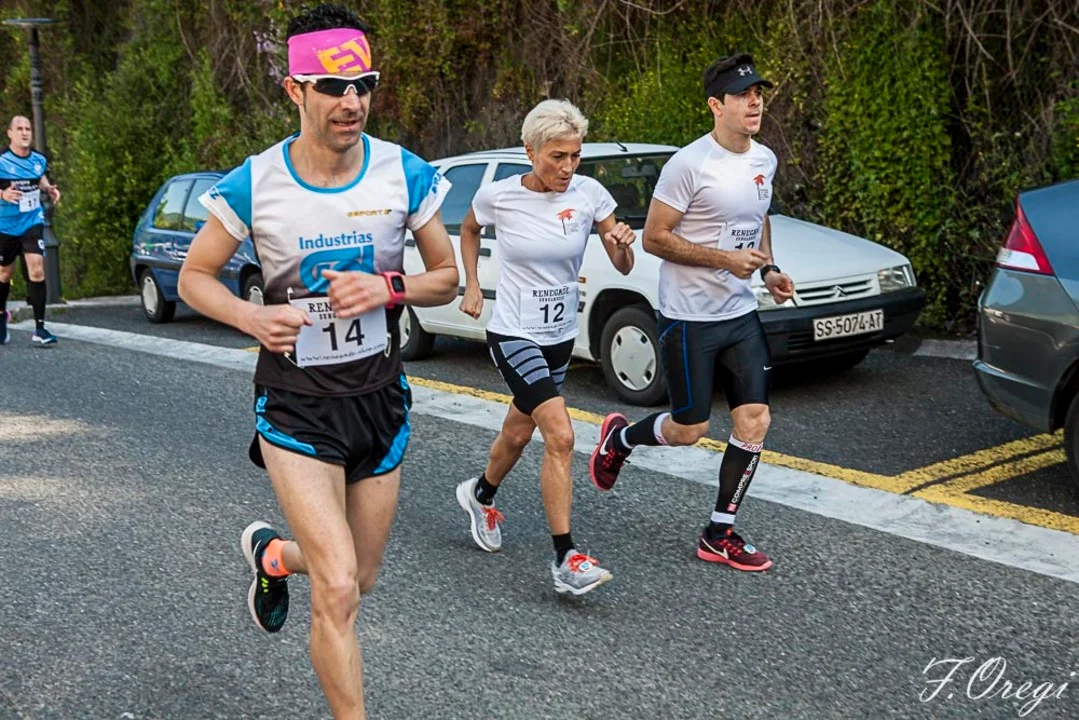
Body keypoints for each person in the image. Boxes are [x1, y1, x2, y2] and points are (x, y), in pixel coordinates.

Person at [177, 5, 458, 718]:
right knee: (336, 589)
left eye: (363, 85)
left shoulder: (403, 171)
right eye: (332, 87)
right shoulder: (255, 182)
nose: (351, 101)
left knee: (359, 577)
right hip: (296, 402)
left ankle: (275, 556)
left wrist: (388, 287)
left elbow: (447, 278)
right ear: (294, 90)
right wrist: (249, 316)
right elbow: (194, 278)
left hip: (378, 396)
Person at [588, 53, 795, 572]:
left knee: (755, 420)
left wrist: (769, 269)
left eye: (759, 94)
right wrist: (725, 260)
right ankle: (620, 438)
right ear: (715, 105)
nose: (755, 103)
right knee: (689, 429)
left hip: (739, 313)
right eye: (743, 95)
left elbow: (758, 219)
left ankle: (719, 532)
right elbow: (655, 238)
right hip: (688, 317)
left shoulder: (764, 160)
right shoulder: (689, 164)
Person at [456, 99, 635, 595]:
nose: (567, 167)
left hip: (559, 337)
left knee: (517, 434)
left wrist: (622, 244)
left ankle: (479, 494)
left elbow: (621, 264)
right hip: (514, 332)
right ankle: (566, 559)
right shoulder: (499, 196)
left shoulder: (590, 194)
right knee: (560, 434)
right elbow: (469, 228)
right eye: (557, 156)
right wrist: (473, 283)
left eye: (575, 156)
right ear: (530, 151)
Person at [0, 115, 61, 346]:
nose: (25, 133)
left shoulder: (38, 159)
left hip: (31, 221)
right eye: (20, 129)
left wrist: (49, 188)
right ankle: (1, 316)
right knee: (4, 273)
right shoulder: (2, 160)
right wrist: (3, 194)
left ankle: (40, 328)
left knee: (36, 269)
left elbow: (40, 177)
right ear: (10, 134)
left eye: (28, 129)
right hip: (5, 225)